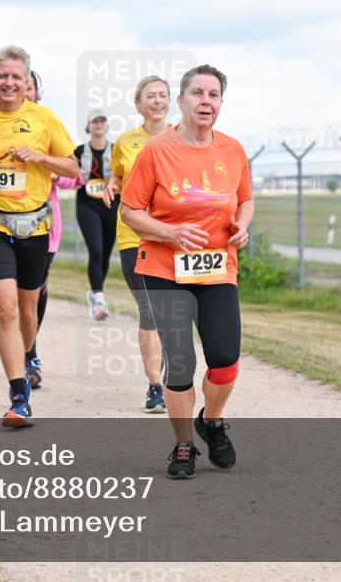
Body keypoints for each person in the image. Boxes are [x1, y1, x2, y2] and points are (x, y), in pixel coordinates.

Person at [120, 65, 253, 480]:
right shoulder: (157, 151)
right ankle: (182, 445)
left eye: (214, 95)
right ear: (181, 102)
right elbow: (130, 211)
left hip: (217, 269)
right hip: (164, 269)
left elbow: (245, 199)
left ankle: (210, 422)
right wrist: (170, 232)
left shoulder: (232, 150)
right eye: (197, 93)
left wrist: (242, 227)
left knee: (225, 359)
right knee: (180, 362)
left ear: (220, 105)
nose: (205, 101)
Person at [0, 45, 78, 427]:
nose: (9, 83)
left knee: (27, 309)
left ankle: (28, 357)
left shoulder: (44, 119)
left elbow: (73, 165)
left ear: (27, 83)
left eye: (16, 77)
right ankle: (19, 397)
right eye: (2, 76)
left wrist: (40, 158)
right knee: (5, 308)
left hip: (34, 227)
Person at [103, 75, 172, 413]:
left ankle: (175, 369)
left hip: (175, 236)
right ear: (138, 104)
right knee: (151, 310)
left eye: (162, 95)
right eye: (150, 96)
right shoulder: (125, 142)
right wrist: (111, 186)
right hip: (134, 235)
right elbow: (117, 174)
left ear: (170, 101)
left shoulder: (183, 138)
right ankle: (155, 386)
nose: (157, 101)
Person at [21, 69, 80, 389]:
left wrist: (48, 167)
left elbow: (73, 175)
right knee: (10, 294)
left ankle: (30, 353)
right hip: (2, 223)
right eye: (20, 86)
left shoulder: (48, 124)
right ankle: (21, 350)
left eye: (29, 87)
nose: (24, 92)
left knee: (37, 287)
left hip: (44, 221)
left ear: (36, 92)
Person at [74, 109, 118, 321]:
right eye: (95, 121)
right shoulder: (80, 151)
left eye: (102, 120)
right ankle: (99, 300)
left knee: (106, 253)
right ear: (89, 126)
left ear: (107, 125)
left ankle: (94, 292)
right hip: (87, 205)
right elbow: (69, 175)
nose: (99, 124)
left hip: (111, 204)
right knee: (96, 250)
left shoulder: (117, 150)